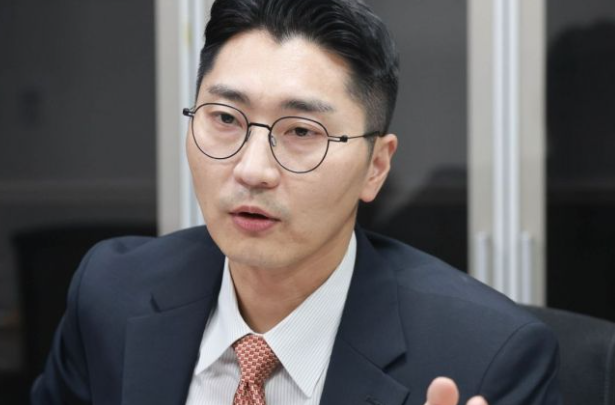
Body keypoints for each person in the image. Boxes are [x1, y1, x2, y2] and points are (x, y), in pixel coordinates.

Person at [31, 0, 562, 404]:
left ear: (375, 167)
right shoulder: (110, 295)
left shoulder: (487, 360)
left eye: (302, 131)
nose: (252, 170)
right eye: (225, 118)